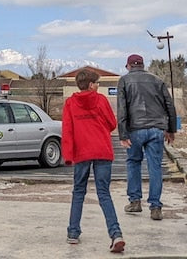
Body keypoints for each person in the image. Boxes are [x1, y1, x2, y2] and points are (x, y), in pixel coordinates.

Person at [62, 68, 125, 253]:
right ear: (90, 85)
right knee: (104, 193)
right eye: (97, 83)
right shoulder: (101, 100)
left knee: (79, 191)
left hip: (82, 153)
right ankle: (116, 234)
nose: (98, 86)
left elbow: (67, 131)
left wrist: (68, 155)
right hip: (102, 151)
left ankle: (73, 232)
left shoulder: (70, 103)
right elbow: (112, 124)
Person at [117, 54, 177, 220]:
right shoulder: (157, 80)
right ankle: (155, 207)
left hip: (135, 129)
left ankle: (135, 201)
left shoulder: (124, 81)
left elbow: (122, 109)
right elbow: (170, 106)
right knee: (155, 166)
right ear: (143, 65)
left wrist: (123, 133)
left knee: (133, 163)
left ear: (128, 66)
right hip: (157, 129)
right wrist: (171, 130)